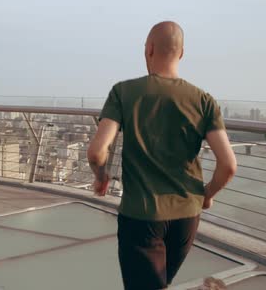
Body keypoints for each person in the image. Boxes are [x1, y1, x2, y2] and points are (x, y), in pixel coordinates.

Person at [87, 21, 237, 289]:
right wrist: (207, 196)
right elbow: (228, 165)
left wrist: (101, 177)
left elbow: (97, 151)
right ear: (181, 53)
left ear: (149, 49)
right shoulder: (204, 100)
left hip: (141, 216)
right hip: (187, 217)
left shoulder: (123, 92)